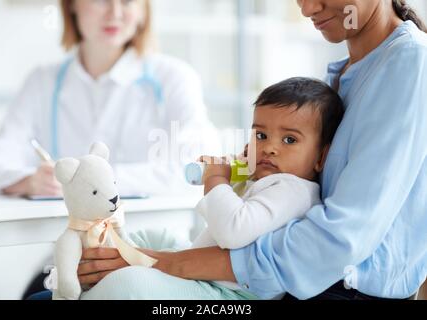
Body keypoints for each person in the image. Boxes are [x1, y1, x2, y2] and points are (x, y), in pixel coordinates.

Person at [73, 0, 427, 300]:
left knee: (125, 289)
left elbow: (339, 239)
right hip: (290, 284)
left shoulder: (409, 64)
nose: (306, 9)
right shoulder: (346, 74)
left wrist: (164, 263)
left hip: (338, 293)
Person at [75, 77, 344, 300]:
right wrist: (238, 171)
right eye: (261, 135)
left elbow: (232, 231)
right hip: (206, 275)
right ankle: (99, 267)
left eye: (289, 139)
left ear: (321, 157)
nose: (270, 147)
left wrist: (217, 179)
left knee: (131, 286)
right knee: (152, 236)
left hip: (228, 296)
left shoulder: (293, 190)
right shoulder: (266, 179)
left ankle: (90, 290)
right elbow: (236, 207)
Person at [0, 0, 217, 198]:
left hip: (154, 240)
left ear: (143, 10)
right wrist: (28, 182)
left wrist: (89, 182)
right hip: (65, 238)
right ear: (71, 5)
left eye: (127, 1)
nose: (115, 12)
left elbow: (196, 167)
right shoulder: (42, 82)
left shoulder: (174, 78)